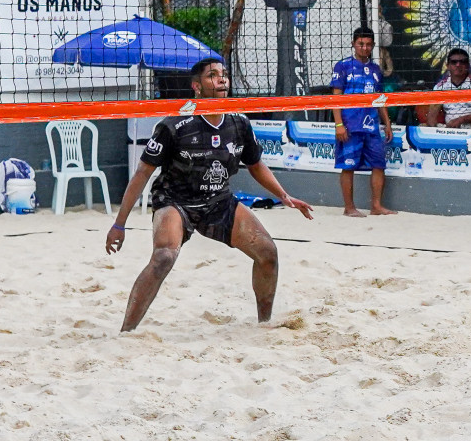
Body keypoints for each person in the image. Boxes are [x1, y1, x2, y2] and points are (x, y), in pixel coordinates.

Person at [105, 58, 315, 330]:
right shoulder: (174, 125)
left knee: (267, 253)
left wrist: (283, 195)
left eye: (224, 74)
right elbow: (142, 173)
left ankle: (264, 324)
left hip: (218, 202)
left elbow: (255, 164)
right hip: (175, 202)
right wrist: (119, 224)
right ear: (196, 86)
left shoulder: (238, 123)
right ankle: (127, 332)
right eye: (212, 75)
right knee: (164, 257)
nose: (221, 79)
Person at [331, 27, 396, 217]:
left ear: (373, 45)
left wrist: (387, 123)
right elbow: (335, 98)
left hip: (371, 126)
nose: (364, 48)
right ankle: (349, 208)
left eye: (368, 44)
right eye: (361, 44)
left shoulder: (376, 69)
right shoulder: (342, 66)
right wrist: (339, 124)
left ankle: (376, 206)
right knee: (348, 166)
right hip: (350, 125)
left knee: (379, 164)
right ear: (353, 44)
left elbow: (379, 98)